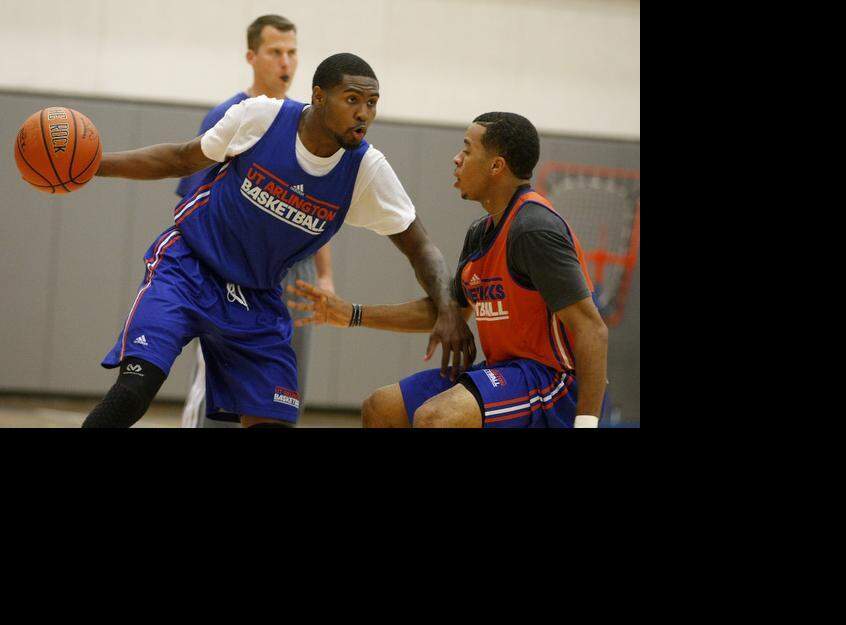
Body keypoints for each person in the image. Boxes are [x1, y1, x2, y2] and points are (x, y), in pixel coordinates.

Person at [81, 53, 474, 428]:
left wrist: (448, 310)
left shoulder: (366, 170)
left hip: (256, 296)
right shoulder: (262, 117)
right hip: (188, 268)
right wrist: (93, 166)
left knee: (275, 421)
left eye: (372, 103)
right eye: (352, 99)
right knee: (134, 390)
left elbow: (421, 245)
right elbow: (180, 158)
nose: (364, 113)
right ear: (318, 96)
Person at [286, 112, 608, 428]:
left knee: (436, 418)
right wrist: (352, 314)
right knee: (382, 407)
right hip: (503, 372)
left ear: (496, 166)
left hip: (551, 382)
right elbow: (446, 312)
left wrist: (586, 422)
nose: (457, 159)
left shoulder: (534, 229)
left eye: (467, 150)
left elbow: (592, 328)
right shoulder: (481, 232)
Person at [176, 14, 334, 428]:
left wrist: (325, 276)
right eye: (275, 52)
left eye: (292, 52)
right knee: (220, 395)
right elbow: (194, 207)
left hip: (293, 275)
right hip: (232, 272)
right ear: (252, 57)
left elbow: (319, 206)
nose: (286, 62)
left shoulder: (308, 124)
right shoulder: (226, 116)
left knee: (283, 396)